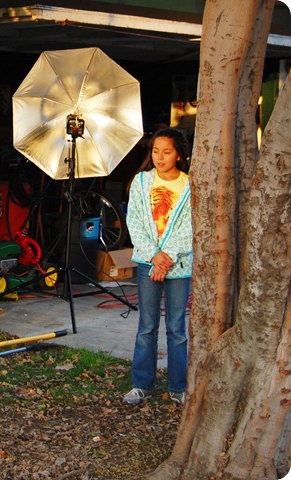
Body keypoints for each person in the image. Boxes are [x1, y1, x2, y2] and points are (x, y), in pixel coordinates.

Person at [122, 127, 192, 406]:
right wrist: (154, 256)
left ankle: (178, 386)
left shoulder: (190, 185)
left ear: (179, 155)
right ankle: (141, 384)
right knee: (147, 325)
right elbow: (134, 221)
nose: (160, 157)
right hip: (148, 263)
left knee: (177, 328)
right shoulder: (141, 182)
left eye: (167, 152)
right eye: (155, 151)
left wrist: (167, 257)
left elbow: (190, 226)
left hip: (178, 264)